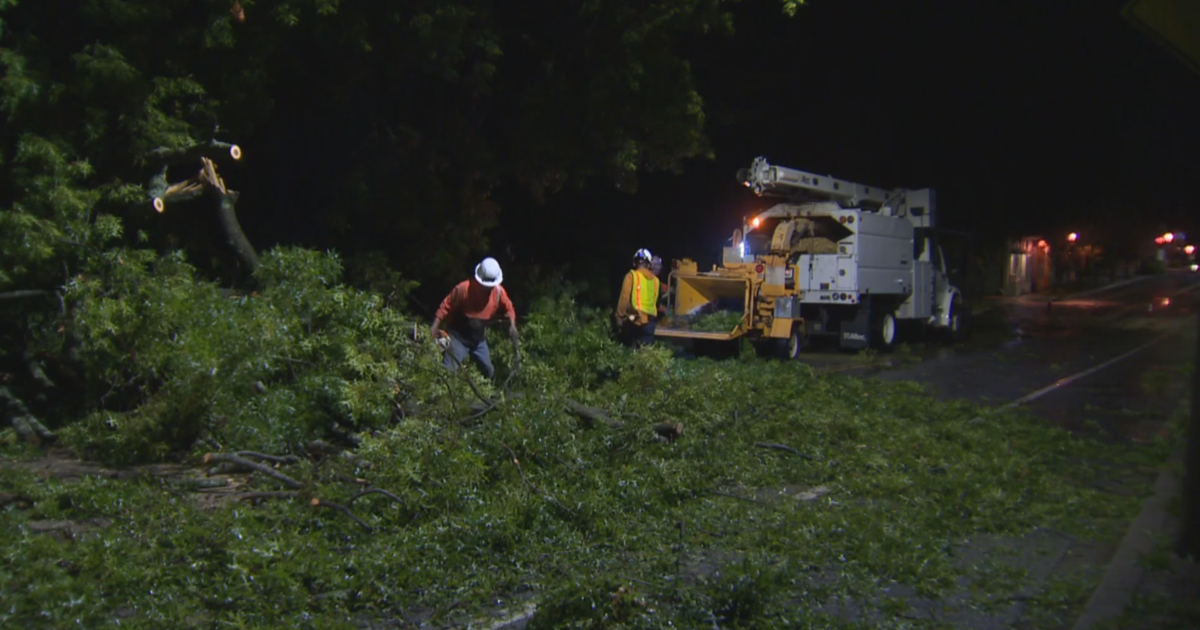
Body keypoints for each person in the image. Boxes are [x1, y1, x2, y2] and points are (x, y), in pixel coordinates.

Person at [430, 257, 518, 380]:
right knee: (447, 372)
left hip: (478, 341)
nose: (487, 289)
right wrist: (434, 327)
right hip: (458, 338)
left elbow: (509, 308)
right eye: (484, 286)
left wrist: (512, 325)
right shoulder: (464, 289)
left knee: (489, 371)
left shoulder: (498, 293)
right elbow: (446, 306)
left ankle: (490, 396)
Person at [614, 248, 662, 347]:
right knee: (646, 354)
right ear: (649, 265)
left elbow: (624, 298)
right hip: (650, 321)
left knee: (630, 351)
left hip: (634, 320)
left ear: (635, 263)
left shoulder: (631, 276)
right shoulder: (656, 281)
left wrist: (619, 316)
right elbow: (655, 300)